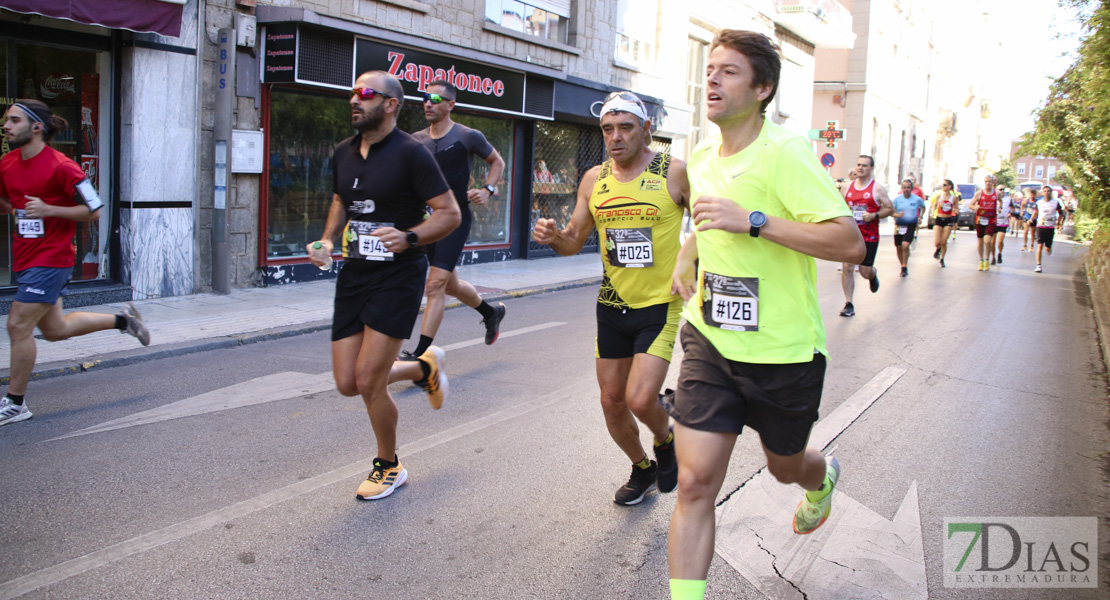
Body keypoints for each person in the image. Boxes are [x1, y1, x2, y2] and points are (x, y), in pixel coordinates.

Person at [665, 30, 865, 600]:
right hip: (711, 342)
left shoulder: (786, 153)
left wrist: (753, 220)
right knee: (695, 481)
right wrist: (687, 253)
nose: (712, 79)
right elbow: (708, 221)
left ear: (762, 89)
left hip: (784, 353)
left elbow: (848, 243)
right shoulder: (701, 156)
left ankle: (820, 478)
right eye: (710, 69)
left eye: (728, 72)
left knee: (784, 466)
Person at [307, 71, 461, 501]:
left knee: (370, 381)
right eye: (353, 92)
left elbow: (450, 214)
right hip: (356, 273)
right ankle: (423, 367)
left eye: (367, 94)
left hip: (399, 275)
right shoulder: (342, 152)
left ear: (391, 104)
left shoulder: (412, 154)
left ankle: (388, 466)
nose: (356, 100)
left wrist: (410, 236)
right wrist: (327, 240)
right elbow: (341, 201)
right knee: (346, 381)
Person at [533, 90, 689, 506]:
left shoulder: (674, 172)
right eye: (607, 129)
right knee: (611, 402)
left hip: (659, 305)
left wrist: (692, 263)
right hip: (612, 305)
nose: (615, 137)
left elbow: (710, 227)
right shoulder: (593, 180)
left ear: (646, 130)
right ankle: (643, 469)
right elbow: (572, 241)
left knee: (640, 398)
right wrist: (553, 238)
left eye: (625, 128)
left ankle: (666, 436)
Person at [0, 100, 149, 426]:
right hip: (25, 256)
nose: (6, 126)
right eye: (6, 121)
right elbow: (6, 204)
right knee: (55, 330)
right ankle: (123, 322)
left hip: (53, 257)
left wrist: (51, 210)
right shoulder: (7, 164)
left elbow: (94, 210)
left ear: (36, 127)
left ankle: (15, 403)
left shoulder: (62, 166)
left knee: (17, 325)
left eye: (14, 120)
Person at [402, 80, 507, 359]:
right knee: (451, 284)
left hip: (454, 219)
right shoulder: (415, 139)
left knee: (435, 285)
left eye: (435, 98)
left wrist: (488, 189)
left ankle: (419, 354)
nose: (428, 103)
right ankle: (491, 312)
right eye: (425, 97)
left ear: (450, 104)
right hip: (425, 222)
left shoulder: (468, 136)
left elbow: (497, 162)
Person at [839, 155, 891, 316]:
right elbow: (839, 207)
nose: (860, 168)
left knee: (864, 272)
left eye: (865, 165)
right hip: (851, 235)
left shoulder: (877, 189)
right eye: (858, 165)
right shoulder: (847, 187)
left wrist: (874, 216)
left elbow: (890, 208)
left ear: (871, 169)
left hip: (869, 236)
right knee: (847, 268)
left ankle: (872, 275)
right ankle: (849, 303)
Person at [890, 179, 924, 277]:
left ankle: (905, 266)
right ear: (901, 188)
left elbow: (923, 207)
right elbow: (890, 212)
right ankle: (902, 265)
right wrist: (897, 215)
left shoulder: (917, 199)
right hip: (899, 225)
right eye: (904, 187)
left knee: (905, 245)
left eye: (908, 187)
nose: (906, 189)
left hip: (910, 225)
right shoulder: (897, 200)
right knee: (899, 247)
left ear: (912, 188)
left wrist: (920, 216)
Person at [1031, 185, 1065, 273]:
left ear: (1051, 192)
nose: (1047, 193)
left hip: (1050, 227)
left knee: (1047, 247)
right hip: (1040, 226)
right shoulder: (1039, 202)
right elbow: (1035, 212)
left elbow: (1061, 213)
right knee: (1040, 245)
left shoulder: (1055, 202)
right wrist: (1031, 219)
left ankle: (1049, 247)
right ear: (1042, 192)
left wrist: (1058, 223)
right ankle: (1038, 265)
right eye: (1045, 191)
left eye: (1048, 191)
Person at [969, 174, 999, 271]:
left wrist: (1000, 207)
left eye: (989, 181)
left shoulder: (997, 193)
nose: (988, 183)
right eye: (986, 181)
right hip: (980, 219)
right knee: (980, 241)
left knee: (987, 240)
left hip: (991, 219)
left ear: (993, 183)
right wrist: (975, 207)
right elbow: (971, 205)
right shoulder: (979, 193)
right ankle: (981, 260)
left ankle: (987, 260)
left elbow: (1001, 200)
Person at [930, 179, 959, 268]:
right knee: (937, 242)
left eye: (945, 185)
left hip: (948, 220)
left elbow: (957, 208)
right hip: (939, 218)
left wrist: (955, 211)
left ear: (950, 186)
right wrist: (933, 212)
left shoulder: (954, 198)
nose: (943, 186)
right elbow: (934, 205)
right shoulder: (939, 196)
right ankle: (938, 249)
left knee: (944, 241)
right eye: (942, 185)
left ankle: (942, 259)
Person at [990, 186, 1013, 265]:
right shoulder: (992, 198)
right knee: (992, 242)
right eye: (1000, 189)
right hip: (994, 222)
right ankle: (993, 257)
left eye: (1003, 189)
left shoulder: (1008, 199)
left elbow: (1012, 208)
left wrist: (1010, 213)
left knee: (1000, 241)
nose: (1002, 191)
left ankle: (999, 253)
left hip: (1003, 223)